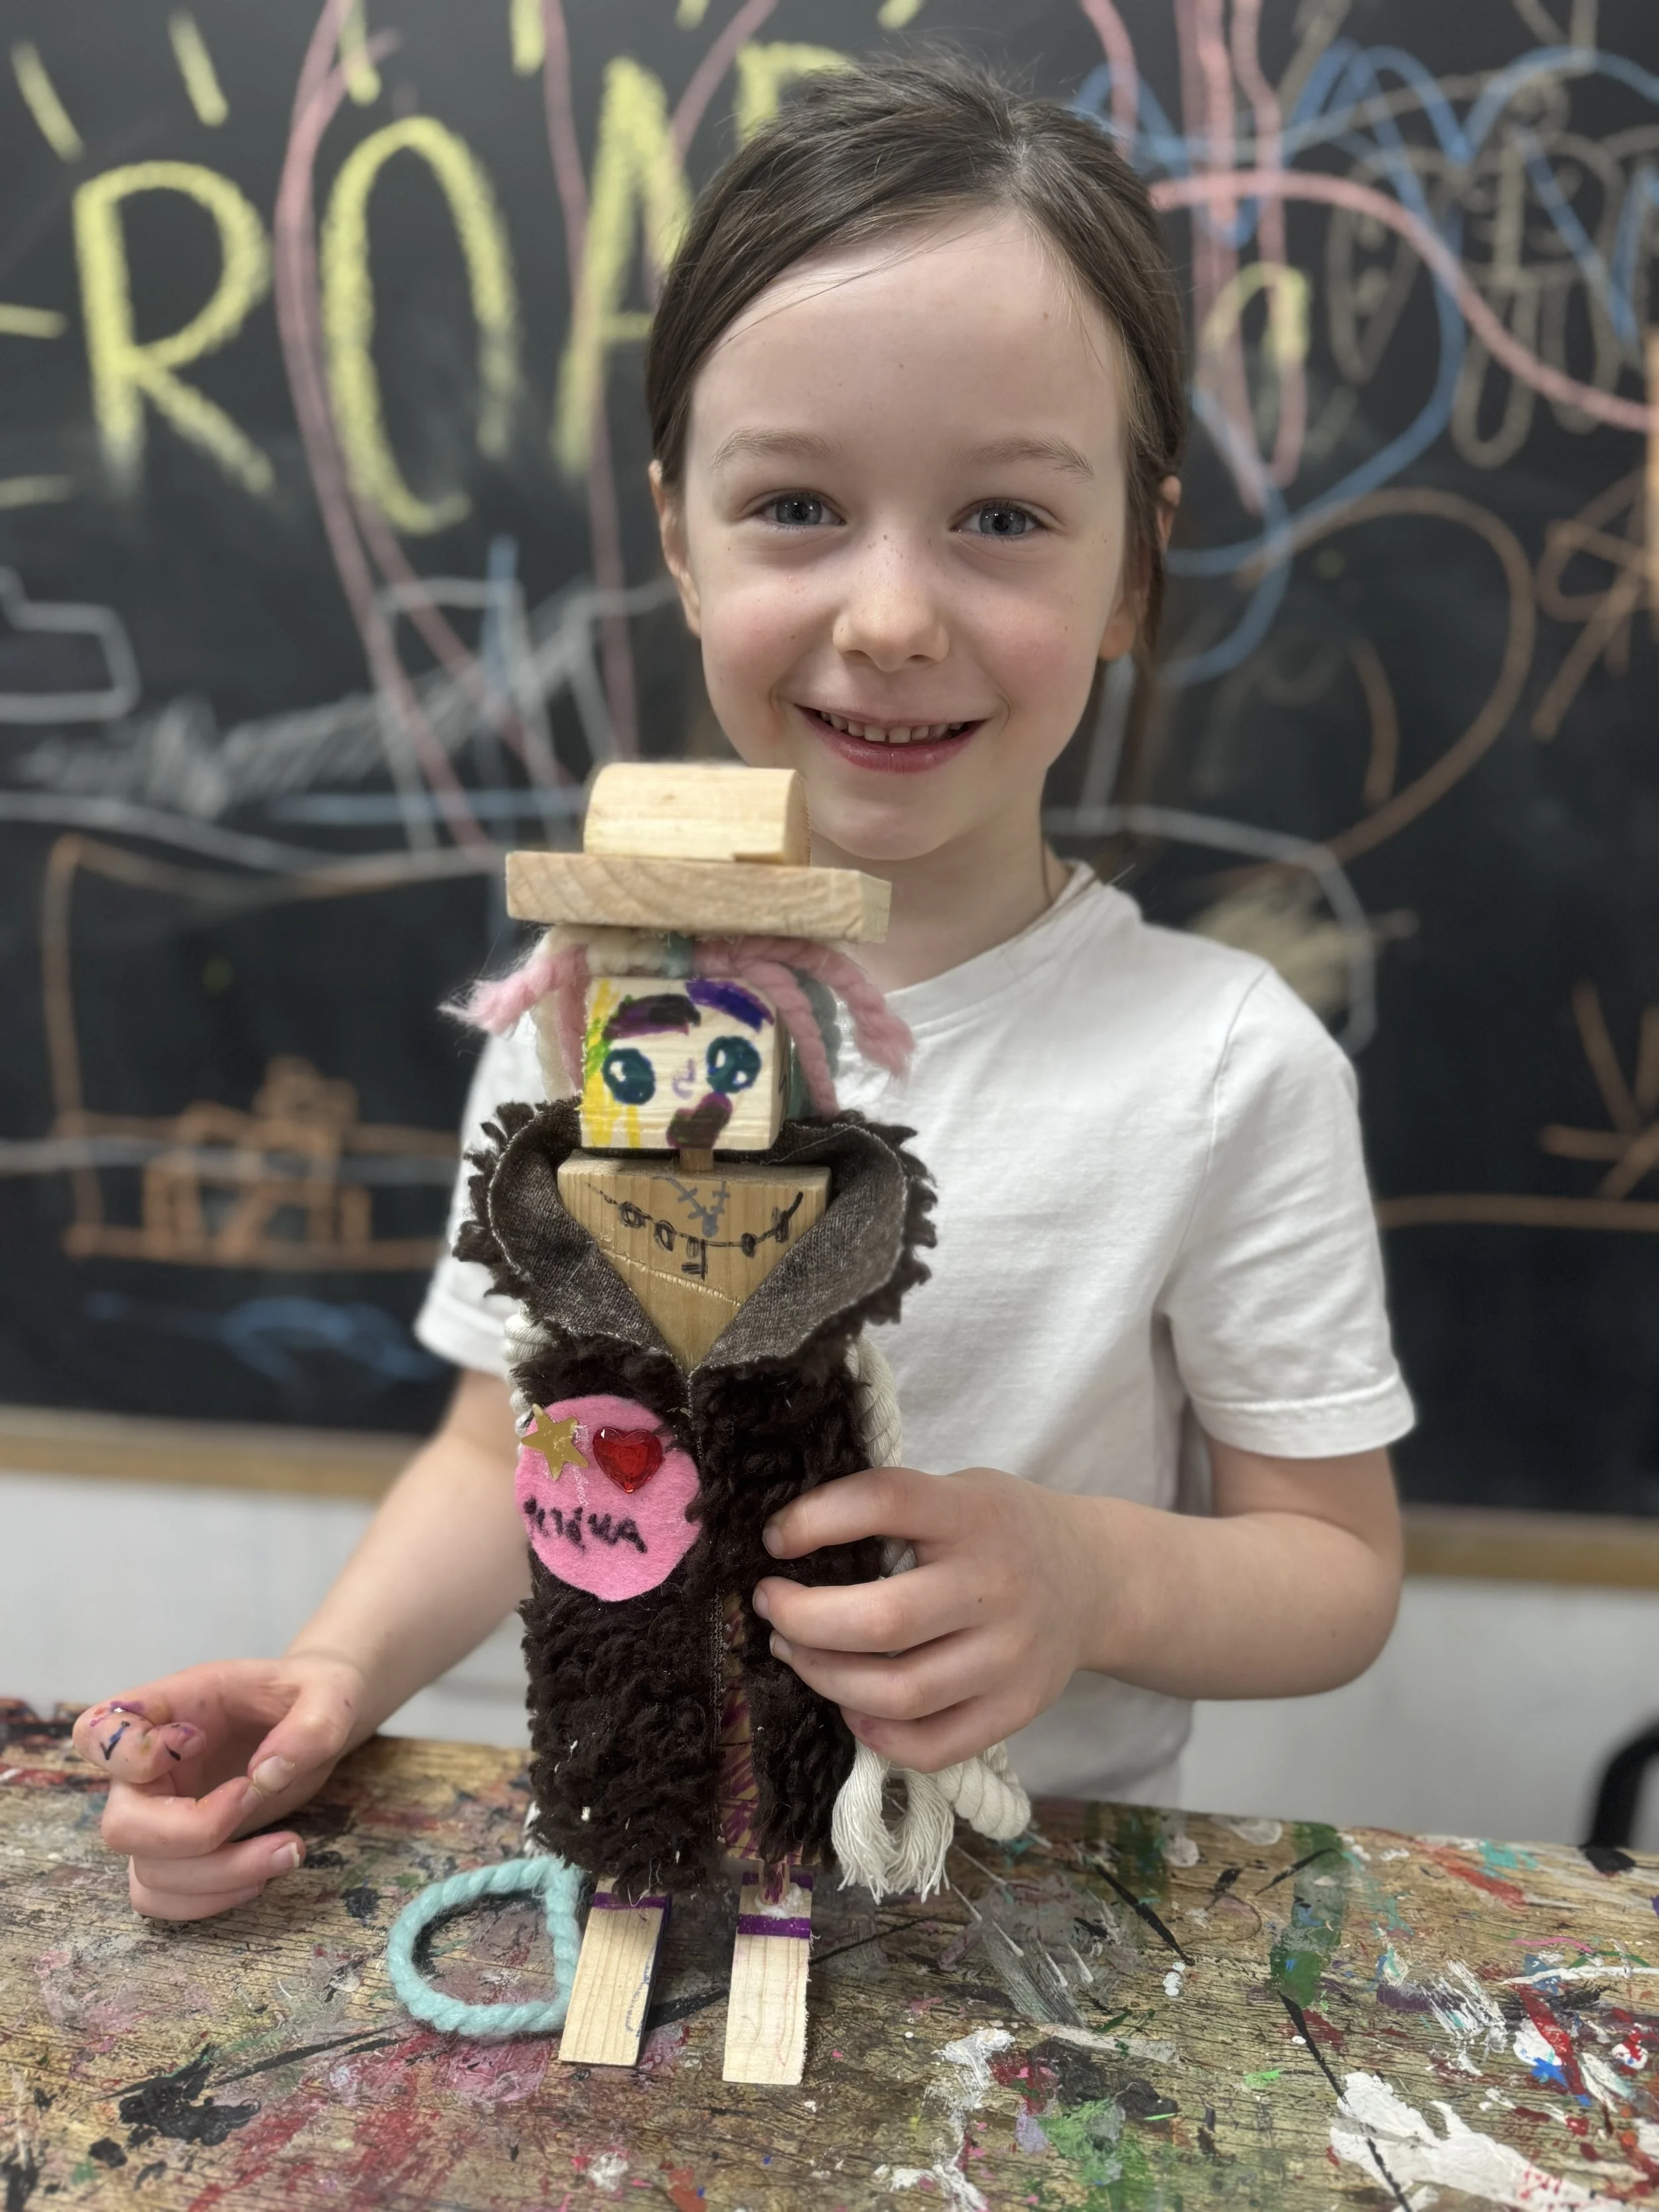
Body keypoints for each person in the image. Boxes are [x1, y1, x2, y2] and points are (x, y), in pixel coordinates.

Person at [73, 55, 1411, 1921]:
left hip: (997, 1906)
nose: (888, 614)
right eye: (793, 504)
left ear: (1133, 564)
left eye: (1004, 519)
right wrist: (336, 1675)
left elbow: (1330, 1564)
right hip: (620, 1845)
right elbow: (509, 1446)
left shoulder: (1220, 1061)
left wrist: (1092, 1576)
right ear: (680, 540)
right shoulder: (588, 1005)